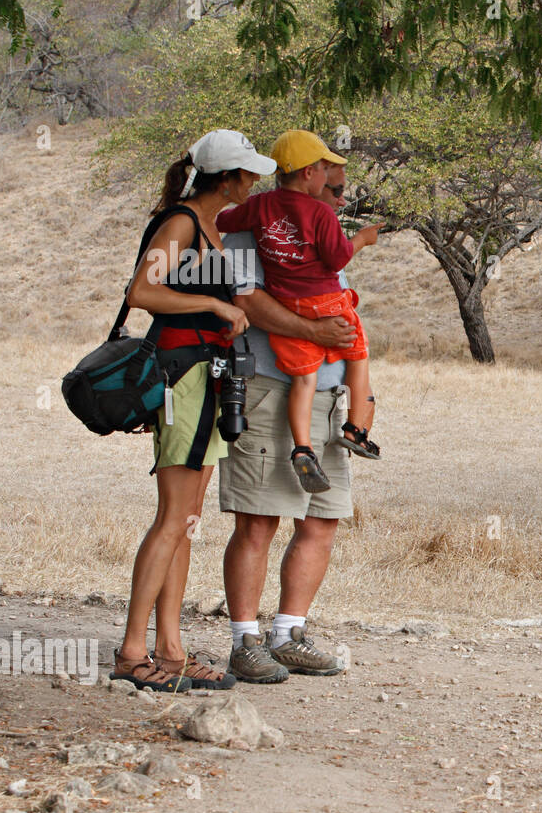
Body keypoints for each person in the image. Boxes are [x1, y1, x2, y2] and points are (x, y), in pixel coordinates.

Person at [112, 129, 277, 692]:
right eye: (248, 172)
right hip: (181, 378)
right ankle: (134, 652)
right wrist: (211, 302)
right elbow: (142, 292)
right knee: (171, 518)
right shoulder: (182, 222)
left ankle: (171, 650)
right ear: (227, 178)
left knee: (185, 519)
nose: (254, 181)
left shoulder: (212, 226)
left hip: (206, 379)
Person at [217, 156, 364, 683]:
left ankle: (288, 635)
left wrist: (357, 394)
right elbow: (245, 299)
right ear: (309, 175)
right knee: (259, 520)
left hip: (324, 399)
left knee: (322, 519)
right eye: (333, 181)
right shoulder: (253, 228)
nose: (339, 194)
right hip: (269, 389)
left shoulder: (320, 231)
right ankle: (244, 641)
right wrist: (317, 333)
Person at [216, 129, 382, 494]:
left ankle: (302, 446)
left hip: (289, 302)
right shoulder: (320, 214)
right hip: (323, 307)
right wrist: (362, 239)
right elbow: (337, 257)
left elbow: (221, 222)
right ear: (309, 173)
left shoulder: (259, 209)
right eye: (325, 171)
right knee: (358, 352)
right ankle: (357, 428)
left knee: (304, 380)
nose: (337, 195)